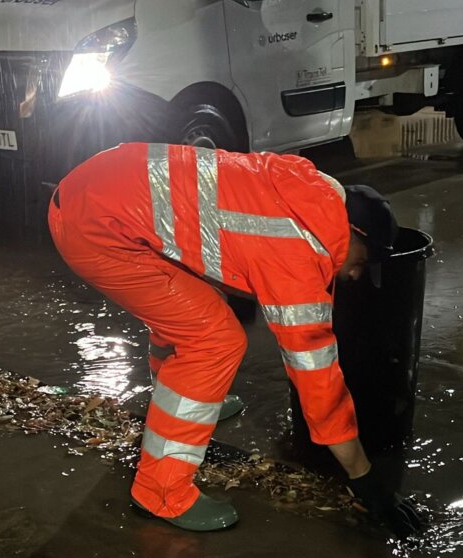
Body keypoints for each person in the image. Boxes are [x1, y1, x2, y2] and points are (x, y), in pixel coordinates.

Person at [48, 143, 423, 537]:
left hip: (93, 188)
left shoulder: (302, 187)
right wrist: (363, 477)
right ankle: (161, 491)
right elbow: (318, 380)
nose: (355, 276)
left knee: (194, 308)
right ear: (353, 233)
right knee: (214, 339)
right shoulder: (297, 256)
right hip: (94, 231)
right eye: (361, 262)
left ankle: (178, 396)